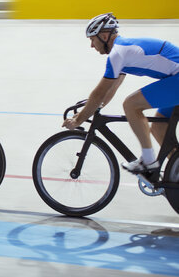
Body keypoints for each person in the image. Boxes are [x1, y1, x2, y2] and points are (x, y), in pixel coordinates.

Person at [62, 13, 179, 174]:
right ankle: (176, 172)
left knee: (131, 104)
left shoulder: (118, 53)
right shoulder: (122, 52)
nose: (91, 45)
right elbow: (111, 89)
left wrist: (79, 119)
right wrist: (95, 107)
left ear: (103, 36)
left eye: (92, 39)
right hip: (174, 79)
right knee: (159, 127)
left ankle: (148, 161)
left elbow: (99, 92)